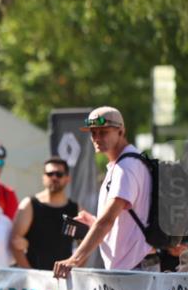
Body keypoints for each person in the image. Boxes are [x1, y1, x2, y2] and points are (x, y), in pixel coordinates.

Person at [54, 106, 157, 277]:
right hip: (135, 264)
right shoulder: (125, 163)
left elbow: (107, 220)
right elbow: (120, 219)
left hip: (136, 267)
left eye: (103, 132)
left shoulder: (126, 167)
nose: (96, 138)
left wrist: (75, 259)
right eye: (93, 133)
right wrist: (94, 222)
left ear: (121, 131)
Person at [10, 157, 81, 270]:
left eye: (59, 174)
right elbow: (14, 242)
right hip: (34, 281)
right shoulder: (29, 205)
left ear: (68, 178)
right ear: (43, 177)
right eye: (49, 174)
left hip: (63, 280)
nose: (54, 177)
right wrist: (31, 275)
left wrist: (74, 271)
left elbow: (84, 245)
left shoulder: (75, 209)